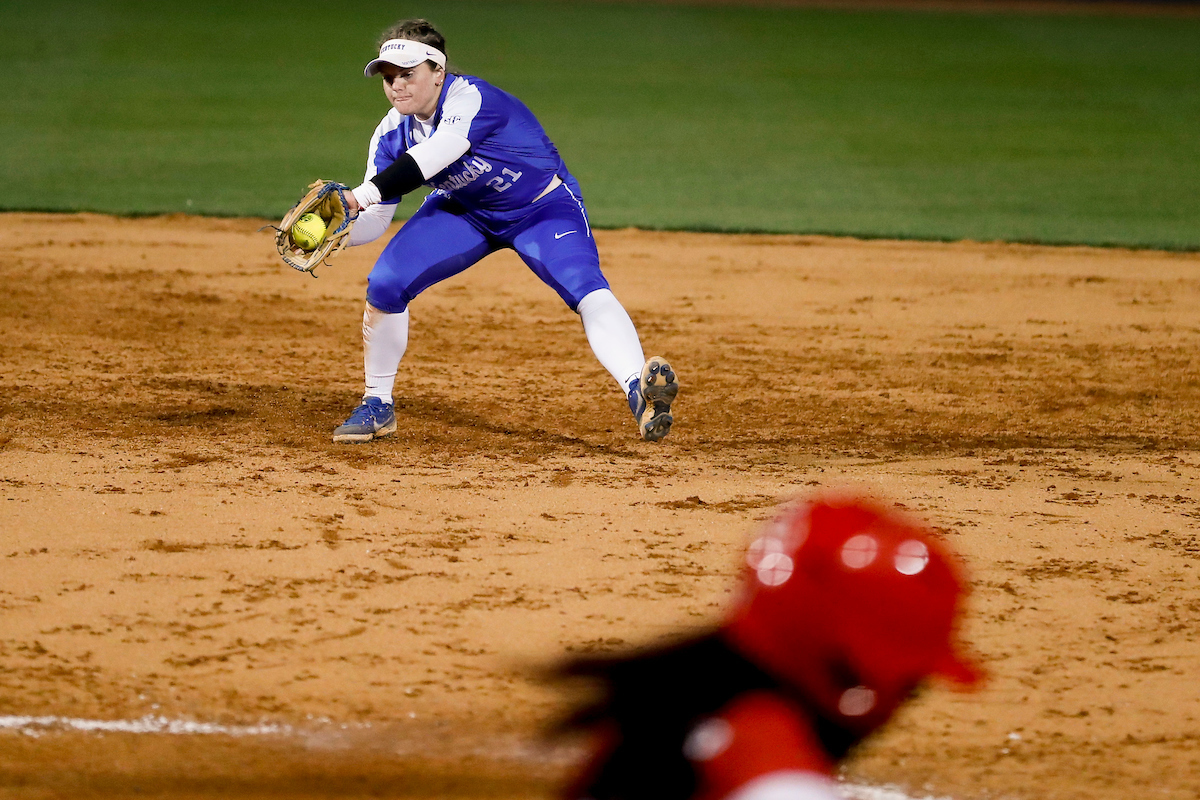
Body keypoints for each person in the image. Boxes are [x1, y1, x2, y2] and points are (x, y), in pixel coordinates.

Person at [326, 18, 678, 444]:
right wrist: (338, 229)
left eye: (408, 74)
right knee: (385, 284)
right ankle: (377, 404)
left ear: (438, 72)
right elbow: (376, 219)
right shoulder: (390, 134)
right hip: (465, 212)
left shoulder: (472, 99)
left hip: (542, 209)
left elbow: (435, 156)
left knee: (585, 287)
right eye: (388, 77)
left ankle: (637, 392)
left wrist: (359, 195)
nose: (396, 86)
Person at [556, 493, 984, 800]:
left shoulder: (666, 708)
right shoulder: (775, 772)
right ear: (846, 672)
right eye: (910, 684)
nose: (903, 707)